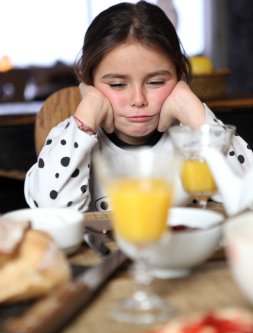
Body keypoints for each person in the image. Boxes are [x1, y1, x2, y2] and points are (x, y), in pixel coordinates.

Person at [24, 1, 253, 212]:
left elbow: (247, 193)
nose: (138, 99)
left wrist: (195, 114)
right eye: (117, 84)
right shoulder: (69, 138)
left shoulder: (193, 140)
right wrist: (89, 108)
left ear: (179, 77)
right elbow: (50, 209)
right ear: (89, 81)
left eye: (156, 82)